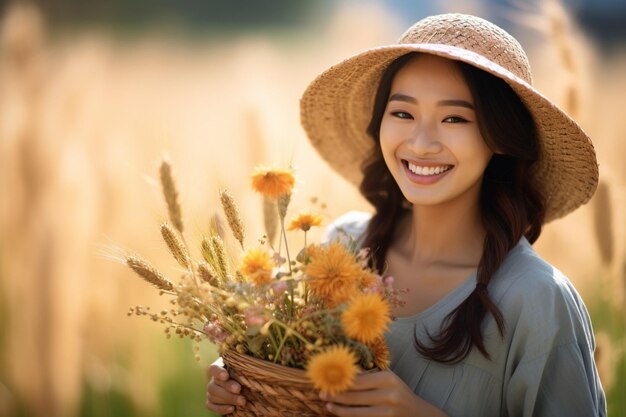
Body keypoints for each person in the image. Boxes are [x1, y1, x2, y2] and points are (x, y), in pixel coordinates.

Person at [206, 13, 607, 417]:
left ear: (500, 137)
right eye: (403, 113)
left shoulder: (538, 300)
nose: (421, 142)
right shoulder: (342, 250)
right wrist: (248, 376)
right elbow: (297, 374)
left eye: (455, 118)